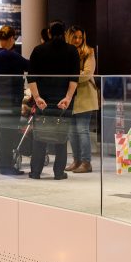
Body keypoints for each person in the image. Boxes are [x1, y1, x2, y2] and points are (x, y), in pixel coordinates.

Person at [27, 21, 81, 180]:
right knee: (61, 135)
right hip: (63, 100)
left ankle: (36, 171)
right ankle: (59, 172)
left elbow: (31, 76)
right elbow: (74, 78)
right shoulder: (72, 51)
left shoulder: (38, 50)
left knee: (39, 136)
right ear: (64, 33)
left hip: (43, 99)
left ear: (49, 33)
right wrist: (68, 98)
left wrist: (37, 97)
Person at [0, 26, 30, 175]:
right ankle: (5, 166)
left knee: (3, 132)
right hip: (9, 99)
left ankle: (2, 165)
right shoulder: (8, 55)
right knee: (8, 133)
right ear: (12, 38)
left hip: (1, 99)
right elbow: (29, 65)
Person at [65, 25, 99, 174]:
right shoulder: (66, 52)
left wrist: (70, 75)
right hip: (70, 96)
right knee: (72, 131)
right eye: (75, 37)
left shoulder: (89, 52)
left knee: (82, 130)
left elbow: (86, 74)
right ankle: (77, 160)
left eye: (80, 37)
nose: (78, 40)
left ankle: (86, 162)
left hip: (85, 96)